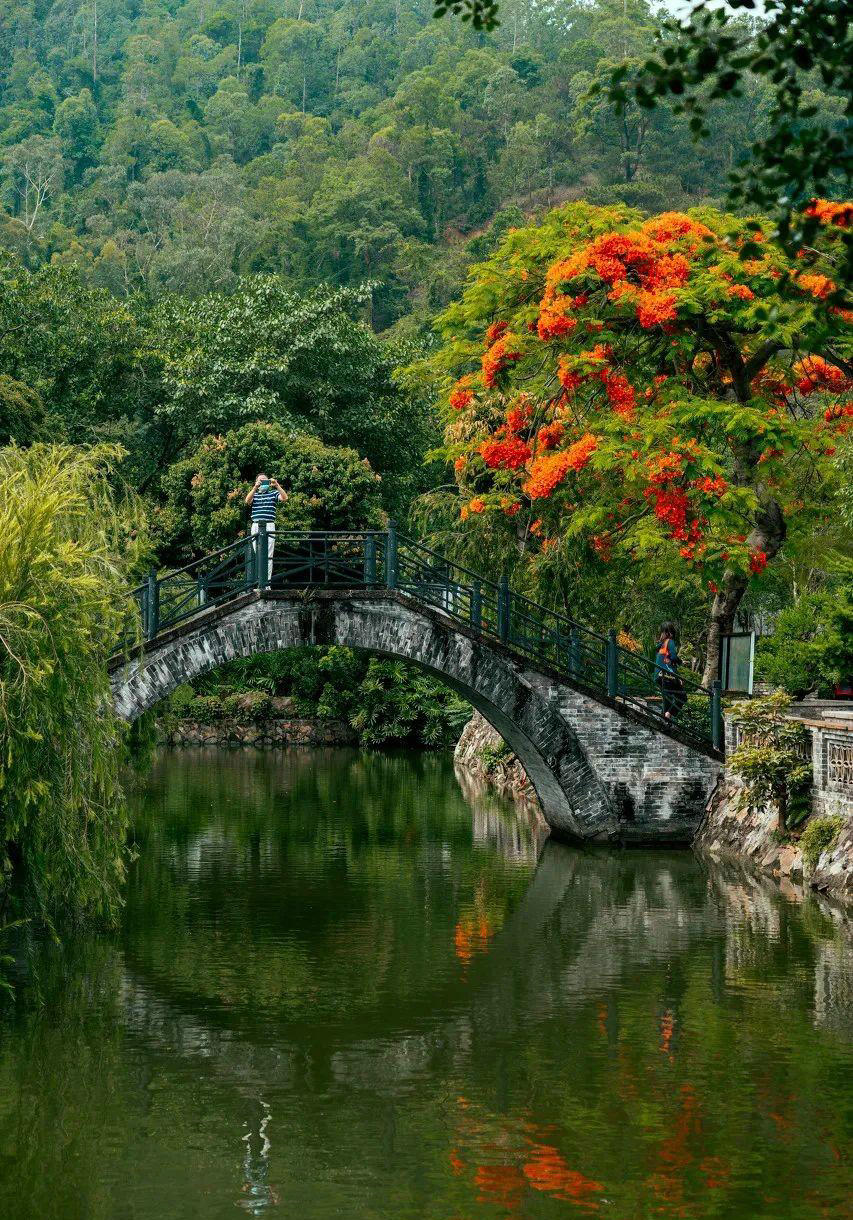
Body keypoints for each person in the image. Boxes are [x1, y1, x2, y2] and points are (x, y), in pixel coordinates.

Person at [245, 473, 287, 577]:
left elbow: (285, 498)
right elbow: (247, 501)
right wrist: (255, 487)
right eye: (260, 480)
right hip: (256, 525)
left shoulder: (273, 494)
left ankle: (266, 583)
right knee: (258, 554)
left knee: (268, 555)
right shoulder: (254, 494)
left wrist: (277, 485)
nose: (263, 482)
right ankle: (260, 580)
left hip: (269, 526)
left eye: (265, 480)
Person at [654, 622, 685, 720]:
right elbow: (673, 657)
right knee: (682, 697)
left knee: (666, 697)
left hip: (658, 676)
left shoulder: (660, 645)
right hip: (667, 676)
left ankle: (665, 718)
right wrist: (680, 662)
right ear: (671, 632)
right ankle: (668, 714)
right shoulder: (670, 642)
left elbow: (666, 660)